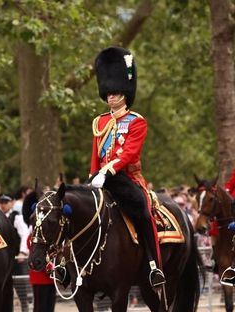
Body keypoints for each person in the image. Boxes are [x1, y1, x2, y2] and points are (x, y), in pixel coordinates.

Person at [89, 47, 165, 289]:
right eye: (108, 93)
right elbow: (95, 153)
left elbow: (130, 152)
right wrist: (93, 174)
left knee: (143, 211)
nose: (110, 97)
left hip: (125, 178)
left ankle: (155, 266)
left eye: (115, 92)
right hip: (100, 177)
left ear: (125, 94)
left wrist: (107, 171)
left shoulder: (136, 121)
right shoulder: (99, 121)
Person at [0, 194, 30, 312]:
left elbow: (25, 234)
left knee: (20, 286)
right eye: (1, 202)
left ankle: (25, 307)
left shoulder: (16, 217)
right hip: (2, 260)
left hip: (16, 258)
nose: (3, 204)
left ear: (12, 203)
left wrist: (22, 252)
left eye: (5, 202)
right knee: (4, 287)